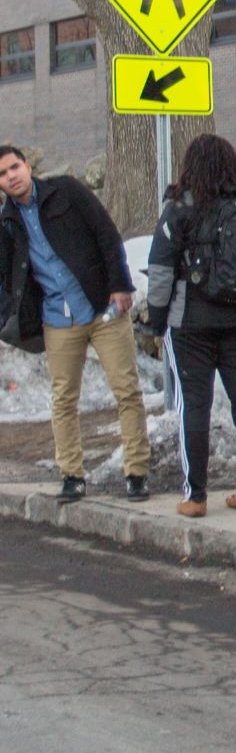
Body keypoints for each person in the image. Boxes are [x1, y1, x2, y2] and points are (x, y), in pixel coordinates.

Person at [141, 135, 236, 518]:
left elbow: (160, 270)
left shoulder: (181, 208)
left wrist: (157, 321)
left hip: (191, 324)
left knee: (195, 405)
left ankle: (195, 496)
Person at [0, 145, 151, 502]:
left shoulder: (65, 191)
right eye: (3, 174)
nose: (12, 176)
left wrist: (120, 285)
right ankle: (71, 474)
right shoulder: (7, 223)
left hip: (102, 309)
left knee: (126, 391)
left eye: (15, 167)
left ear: (27, 165)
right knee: (63, 400)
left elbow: (106, 233)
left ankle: (137, 472)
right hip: (56, 319)